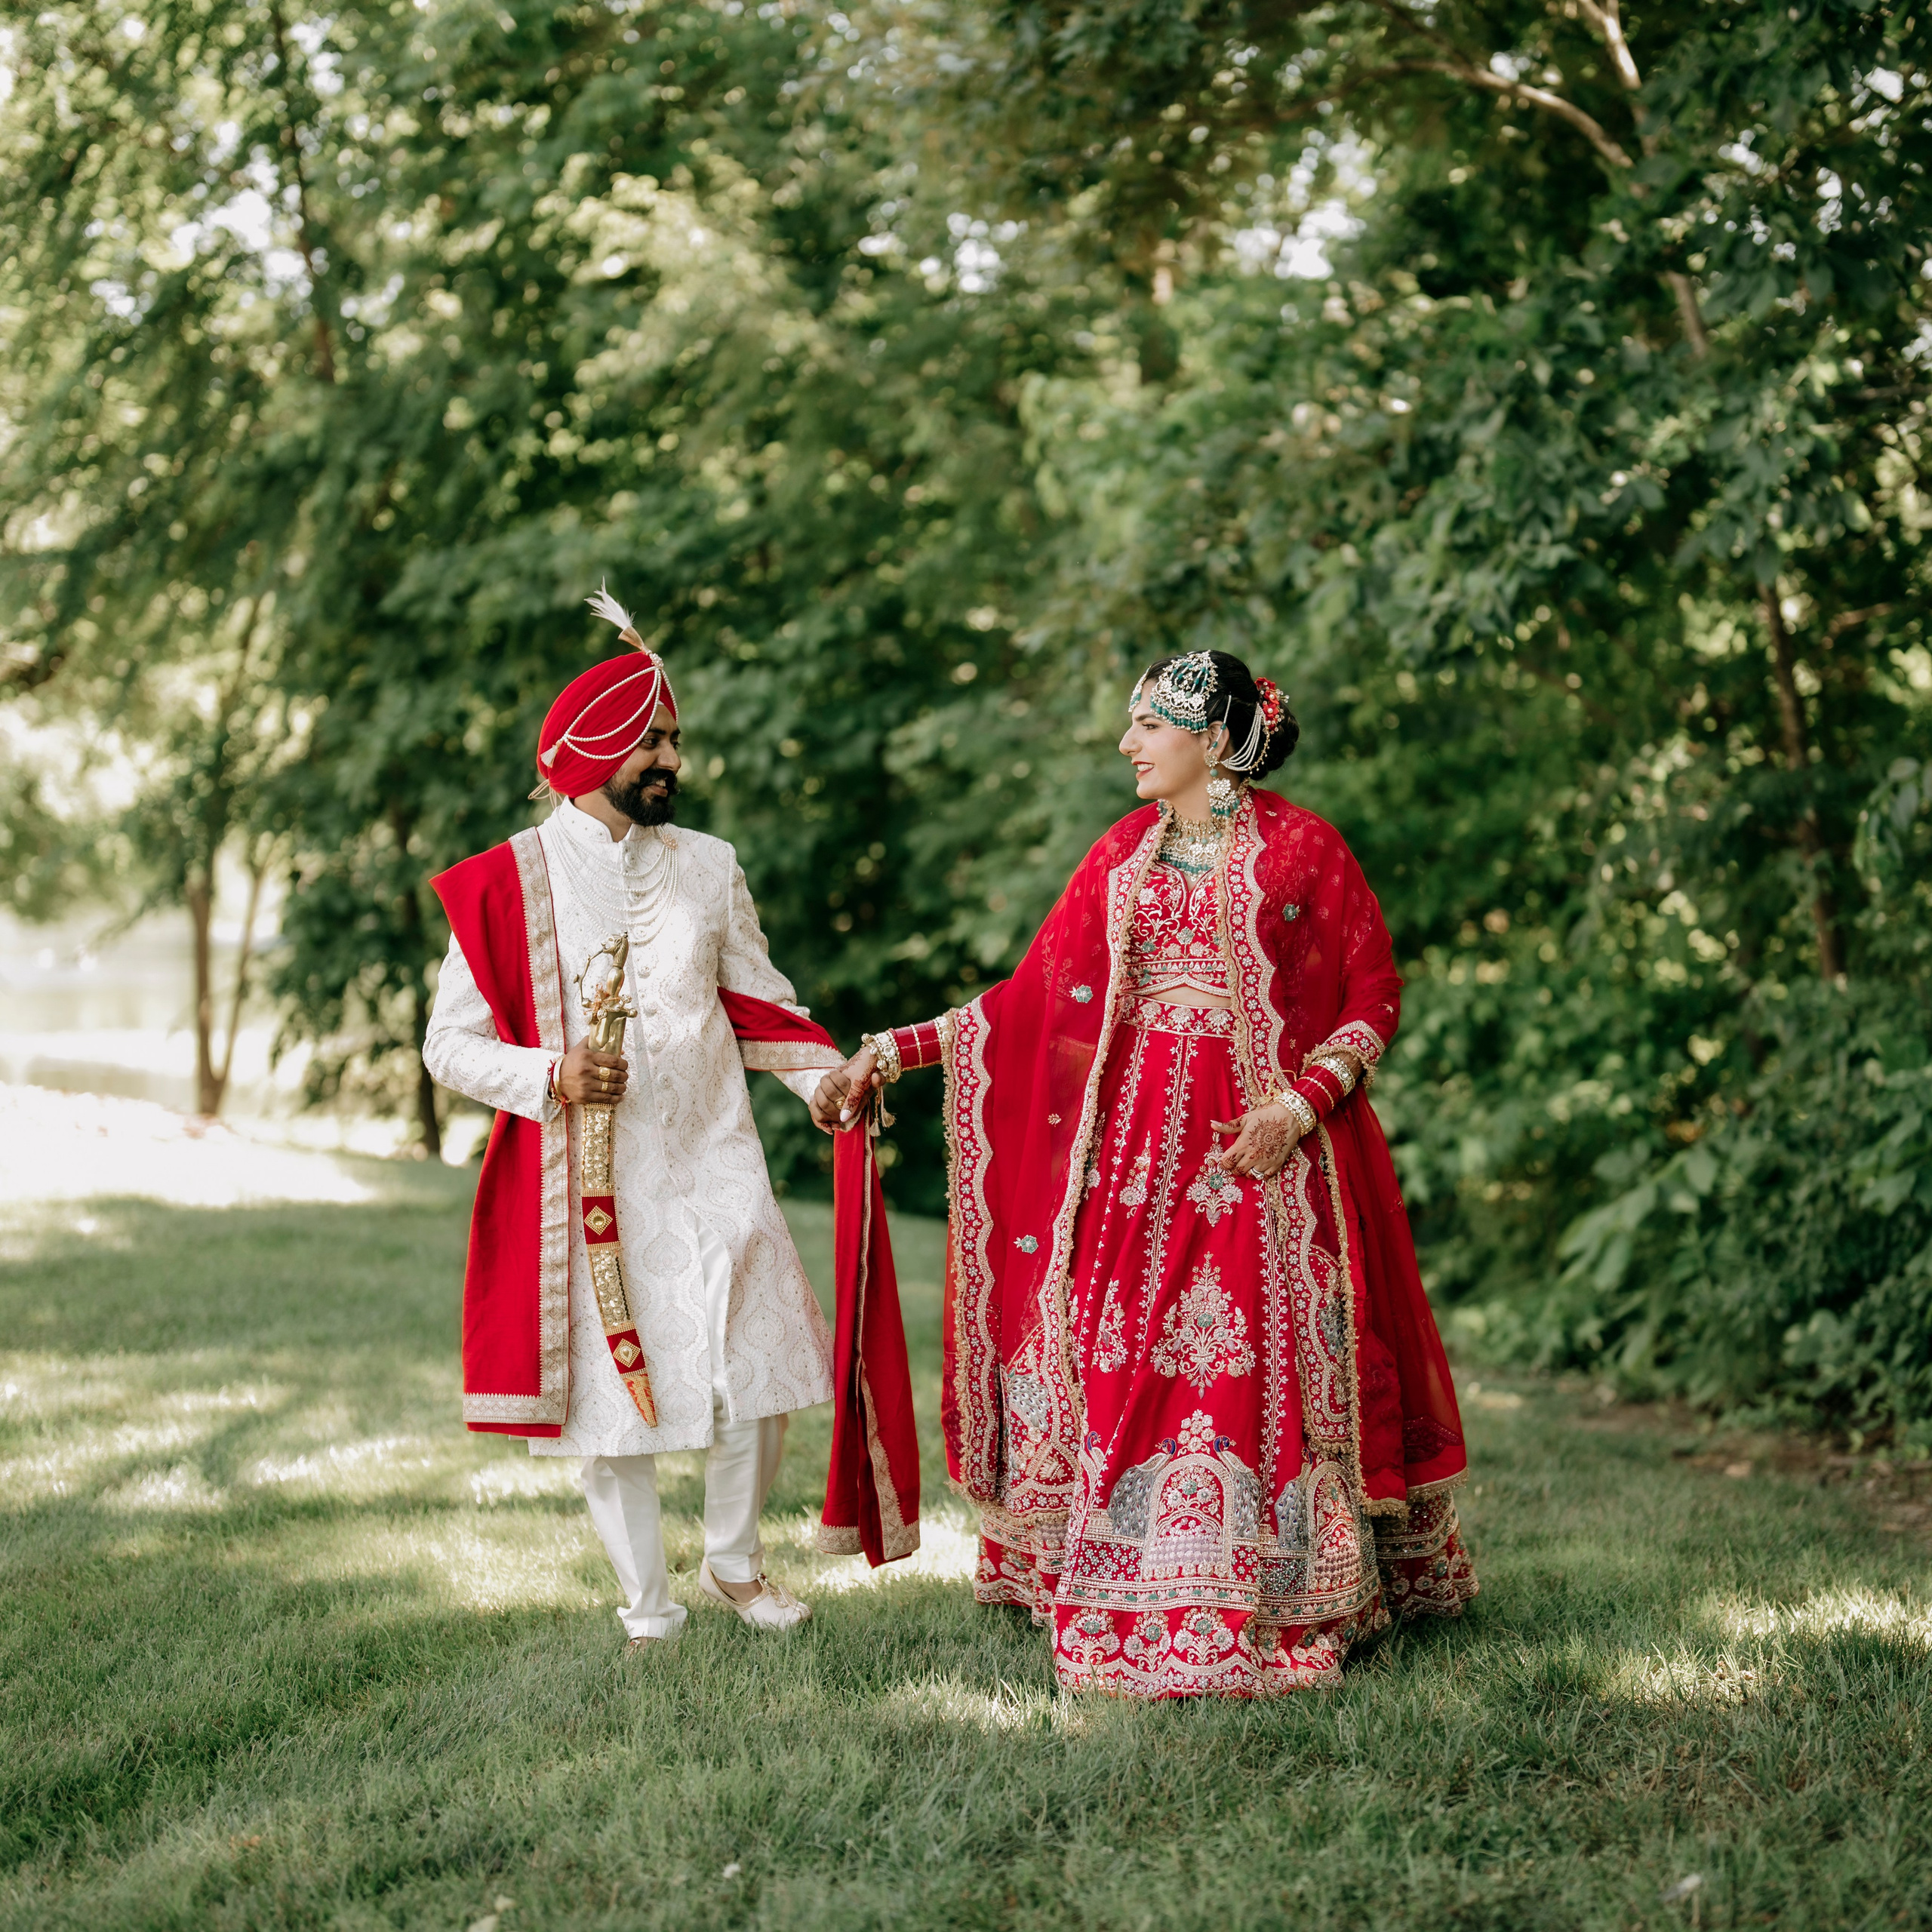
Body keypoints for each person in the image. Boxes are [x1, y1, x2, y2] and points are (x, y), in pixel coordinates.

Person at [811, 650, 1478, 1697]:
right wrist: (889, 1053)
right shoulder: (1124, 851)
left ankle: (1280, 1592)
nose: (1128, 744)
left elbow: (1373, 993)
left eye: (1149, 725)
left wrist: (1300, 1105)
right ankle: (1130, 1577)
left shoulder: (1305, 849)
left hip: (1262, 1150)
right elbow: (1028, 1003)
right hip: (1132, 1159)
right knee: (1122, 1350)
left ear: (1212, 739)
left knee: (1254, 1353)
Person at [423, 590, 847, 1651]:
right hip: (594, 1175)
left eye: (674, 740)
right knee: (614, 1400)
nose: (671, 761)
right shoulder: (508, 883)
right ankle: (648, 1604)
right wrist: (554, 1074)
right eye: (652, 741)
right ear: (590, 748)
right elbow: (448, 1045)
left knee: (758, 1359)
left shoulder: (708, 863)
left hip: (717, 1150)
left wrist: (823, 1083)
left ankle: (736, 1565)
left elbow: (759, 1001)